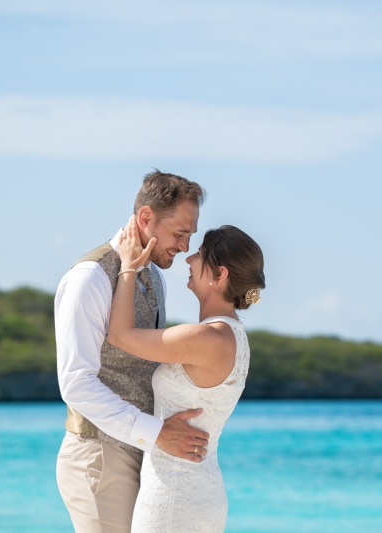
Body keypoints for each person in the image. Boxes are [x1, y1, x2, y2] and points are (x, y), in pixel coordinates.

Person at [55, 171, 211, 533]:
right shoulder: (89, 278)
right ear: (145, 218)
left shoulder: (153, 277)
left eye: (190, 235)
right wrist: (155, 432)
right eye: (179, 234)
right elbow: (76, 384)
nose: (185, 247)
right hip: (99, 457)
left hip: (141, 451)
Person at [108, 216, 266, 532]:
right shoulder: (233, 336)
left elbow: (120, 336)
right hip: (197, 490)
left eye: (201, 254)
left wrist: (128, 267)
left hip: (173, 498)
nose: (189, 257)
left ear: (220, 274)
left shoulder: (206, 338)